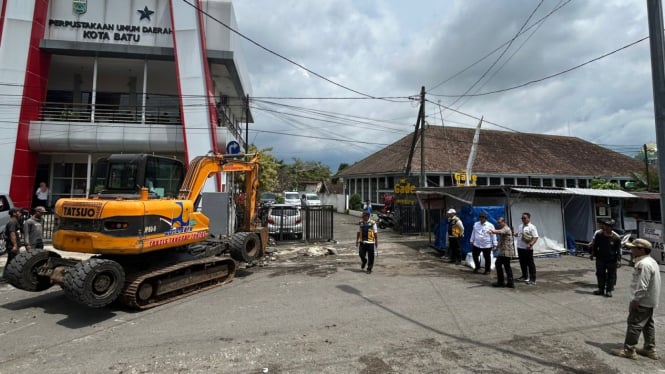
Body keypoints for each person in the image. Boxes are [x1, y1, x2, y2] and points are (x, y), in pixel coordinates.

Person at [612, 238, 661, 360]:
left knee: (634, 324)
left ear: (641, 249)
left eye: (633, 248)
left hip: (642, 301)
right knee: (648, 324)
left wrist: (636, 300)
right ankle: (650, 349)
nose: (631, 250)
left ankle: (629, 350)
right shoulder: (651, 261)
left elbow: (642, 285)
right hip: (650, 300)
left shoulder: (643, 264)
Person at [589, 219, 621, 297]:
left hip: (611, 260)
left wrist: (618, 260)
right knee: (600, 274)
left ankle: (609, 290)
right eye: (605, 226)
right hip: (600, 258)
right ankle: (601, 289)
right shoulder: (599, 235)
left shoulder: (616, 238)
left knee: (611, 275)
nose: (606, 228)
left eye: (608, 226)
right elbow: (595, 246)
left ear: (611, 228)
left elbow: (618, 250)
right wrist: (593, 254)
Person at [489, 217, 514, 288]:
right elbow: (501, 240)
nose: (498, 224)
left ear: (504, 222)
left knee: (500, 264)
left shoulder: (506, 228)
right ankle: (509, 282)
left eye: (499, 222)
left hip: (506, 251)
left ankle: (502, 282)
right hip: (503, 251)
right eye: (498, 223)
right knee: (505, 266)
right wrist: (496, 247)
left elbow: (500, 231)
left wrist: (492, 231)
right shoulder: (504, 229)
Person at [515, 212, 539, 285]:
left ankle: (532, 279)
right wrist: (514, 234)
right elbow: (518, 234)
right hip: (520, 248)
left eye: (524, 218)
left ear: (528, 218)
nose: (523, 219)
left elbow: (535, 237)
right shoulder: (520, 226)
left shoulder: (532, 227)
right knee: (522, 263)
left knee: (530, 264)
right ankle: (524, 276)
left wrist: (531, 244)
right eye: (522, 218)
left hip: (528, 249)